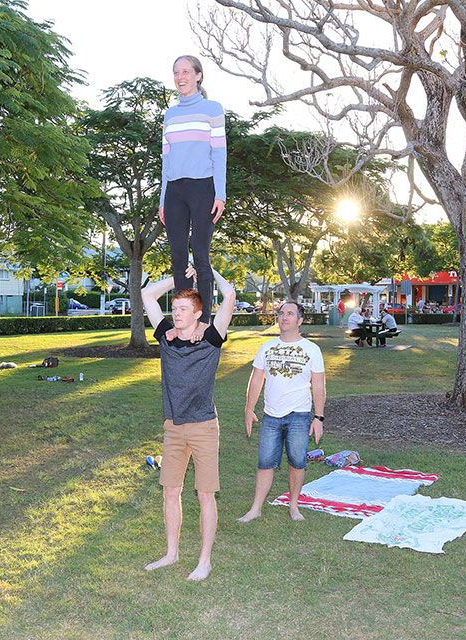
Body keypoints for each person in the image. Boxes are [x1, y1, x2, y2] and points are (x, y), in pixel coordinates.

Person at [141, 266, 235, 581]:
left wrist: (208, 272)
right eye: (175, 308)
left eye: (183, 309)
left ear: (197, 315)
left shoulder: (210, 337)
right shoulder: (166, 338)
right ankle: (172, 553)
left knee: (205, 493)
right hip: (173, 426)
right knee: (170, 490)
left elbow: (230, 295)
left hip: (204, 426)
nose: (176, 312)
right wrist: (180, 280)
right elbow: (147, 295)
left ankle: (204, 561)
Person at [159, 55, 226, 340]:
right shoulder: (169, 115)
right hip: (174, 190)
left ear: (198, 76)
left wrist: (220, 194)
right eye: (176, 72)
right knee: (177, 257)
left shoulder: (213, 109)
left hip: (203, 188)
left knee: (200, 254)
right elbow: (165, 161)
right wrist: (163, 199)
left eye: (185, 71)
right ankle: (183, 319)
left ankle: (204, 322)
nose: (180, 76)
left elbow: (219, 154)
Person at [240, 301, 325, 522]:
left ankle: (294, 507)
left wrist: (318, 418)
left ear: (300, 321)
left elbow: (319, 385)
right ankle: (255, 508)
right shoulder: (266, 347)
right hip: (271, 416)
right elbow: (256, 378)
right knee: (265, 462)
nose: (284, 317)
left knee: (297, 462)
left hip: (299, 415)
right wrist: (249, 410)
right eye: (281, 313)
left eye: (290, 314)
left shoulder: (312, 349)